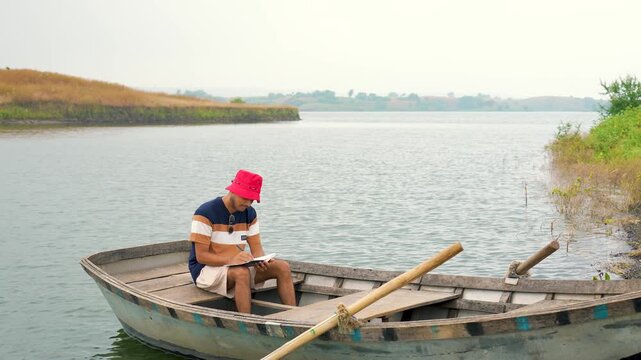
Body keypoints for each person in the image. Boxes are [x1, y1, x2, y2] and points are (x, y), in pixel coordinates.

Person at [188, 169, 296, 313]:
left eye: (252, 199)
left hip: (236, 265)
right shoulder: (205, 212)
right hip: (205, 270)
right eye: (245, 197)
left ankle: (294, 315)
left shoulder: (250, 213)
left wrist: (261, 261)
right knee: (241, 273)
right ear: (233, 190)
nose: (248, 203)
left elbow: (257, 249)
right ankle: (248, 323)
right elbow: (201, 257)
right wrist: (232, 259)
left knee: (283, 267)